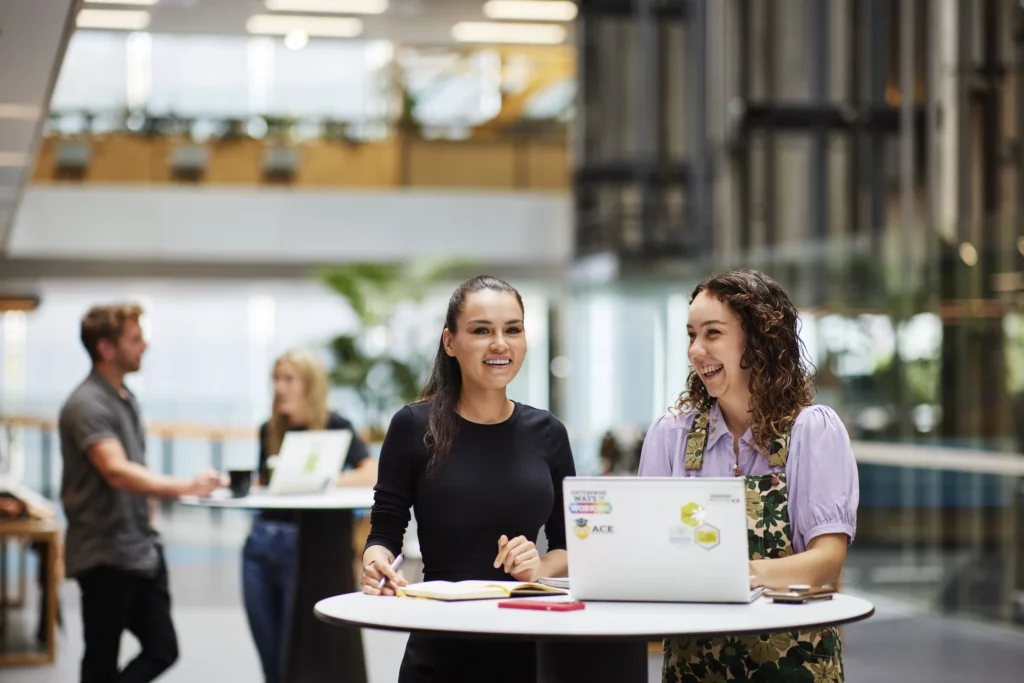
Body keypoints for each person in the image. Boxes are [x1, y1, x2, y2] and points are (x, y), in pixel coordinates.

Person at [638, 270, 859, 683]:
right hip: (693, 662)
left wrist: (738, 575)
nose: (696, 350)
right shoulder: (671, 434)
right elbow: (647, 550)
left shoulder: (813, 431)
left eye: (713, 333)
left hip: (794, 659)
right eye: (691, 335)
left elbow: (827, 560)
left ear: (758, 340)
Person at [359, 275, 576, 683]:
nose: (500, 343)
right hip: (441, 650)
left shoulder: (549, 433)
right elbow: (384, 533)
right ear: (450, 342)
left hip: (528, 649)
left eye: (513, 329)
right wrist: (376, 566)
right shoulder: (412, 426)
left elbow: (569, 547)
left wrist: (538, 567)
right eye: (481, 331)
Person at [58, 304, 223, 683]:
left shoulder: (124, 397)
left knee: (162, 648)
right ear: (106, 348)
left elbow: (134, 466)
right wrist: (186, 486)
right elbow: (116, 470)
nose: (144, 345)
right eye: (135, 338)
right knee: (100, 658)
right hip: (105, 554)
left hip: (140, 549)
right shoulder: (87, 403)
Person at [243, 348, 376, 683]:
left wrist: (325, 479)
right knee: (270, 647)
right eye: (276, 378)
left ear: (309, 385)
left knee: (300, 648)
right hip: (263, 541)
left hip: (309, 547)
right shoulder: (270, 430)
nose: (280, 387)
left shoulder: (335, 425)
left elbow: (372, 471)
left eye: (289, 379)